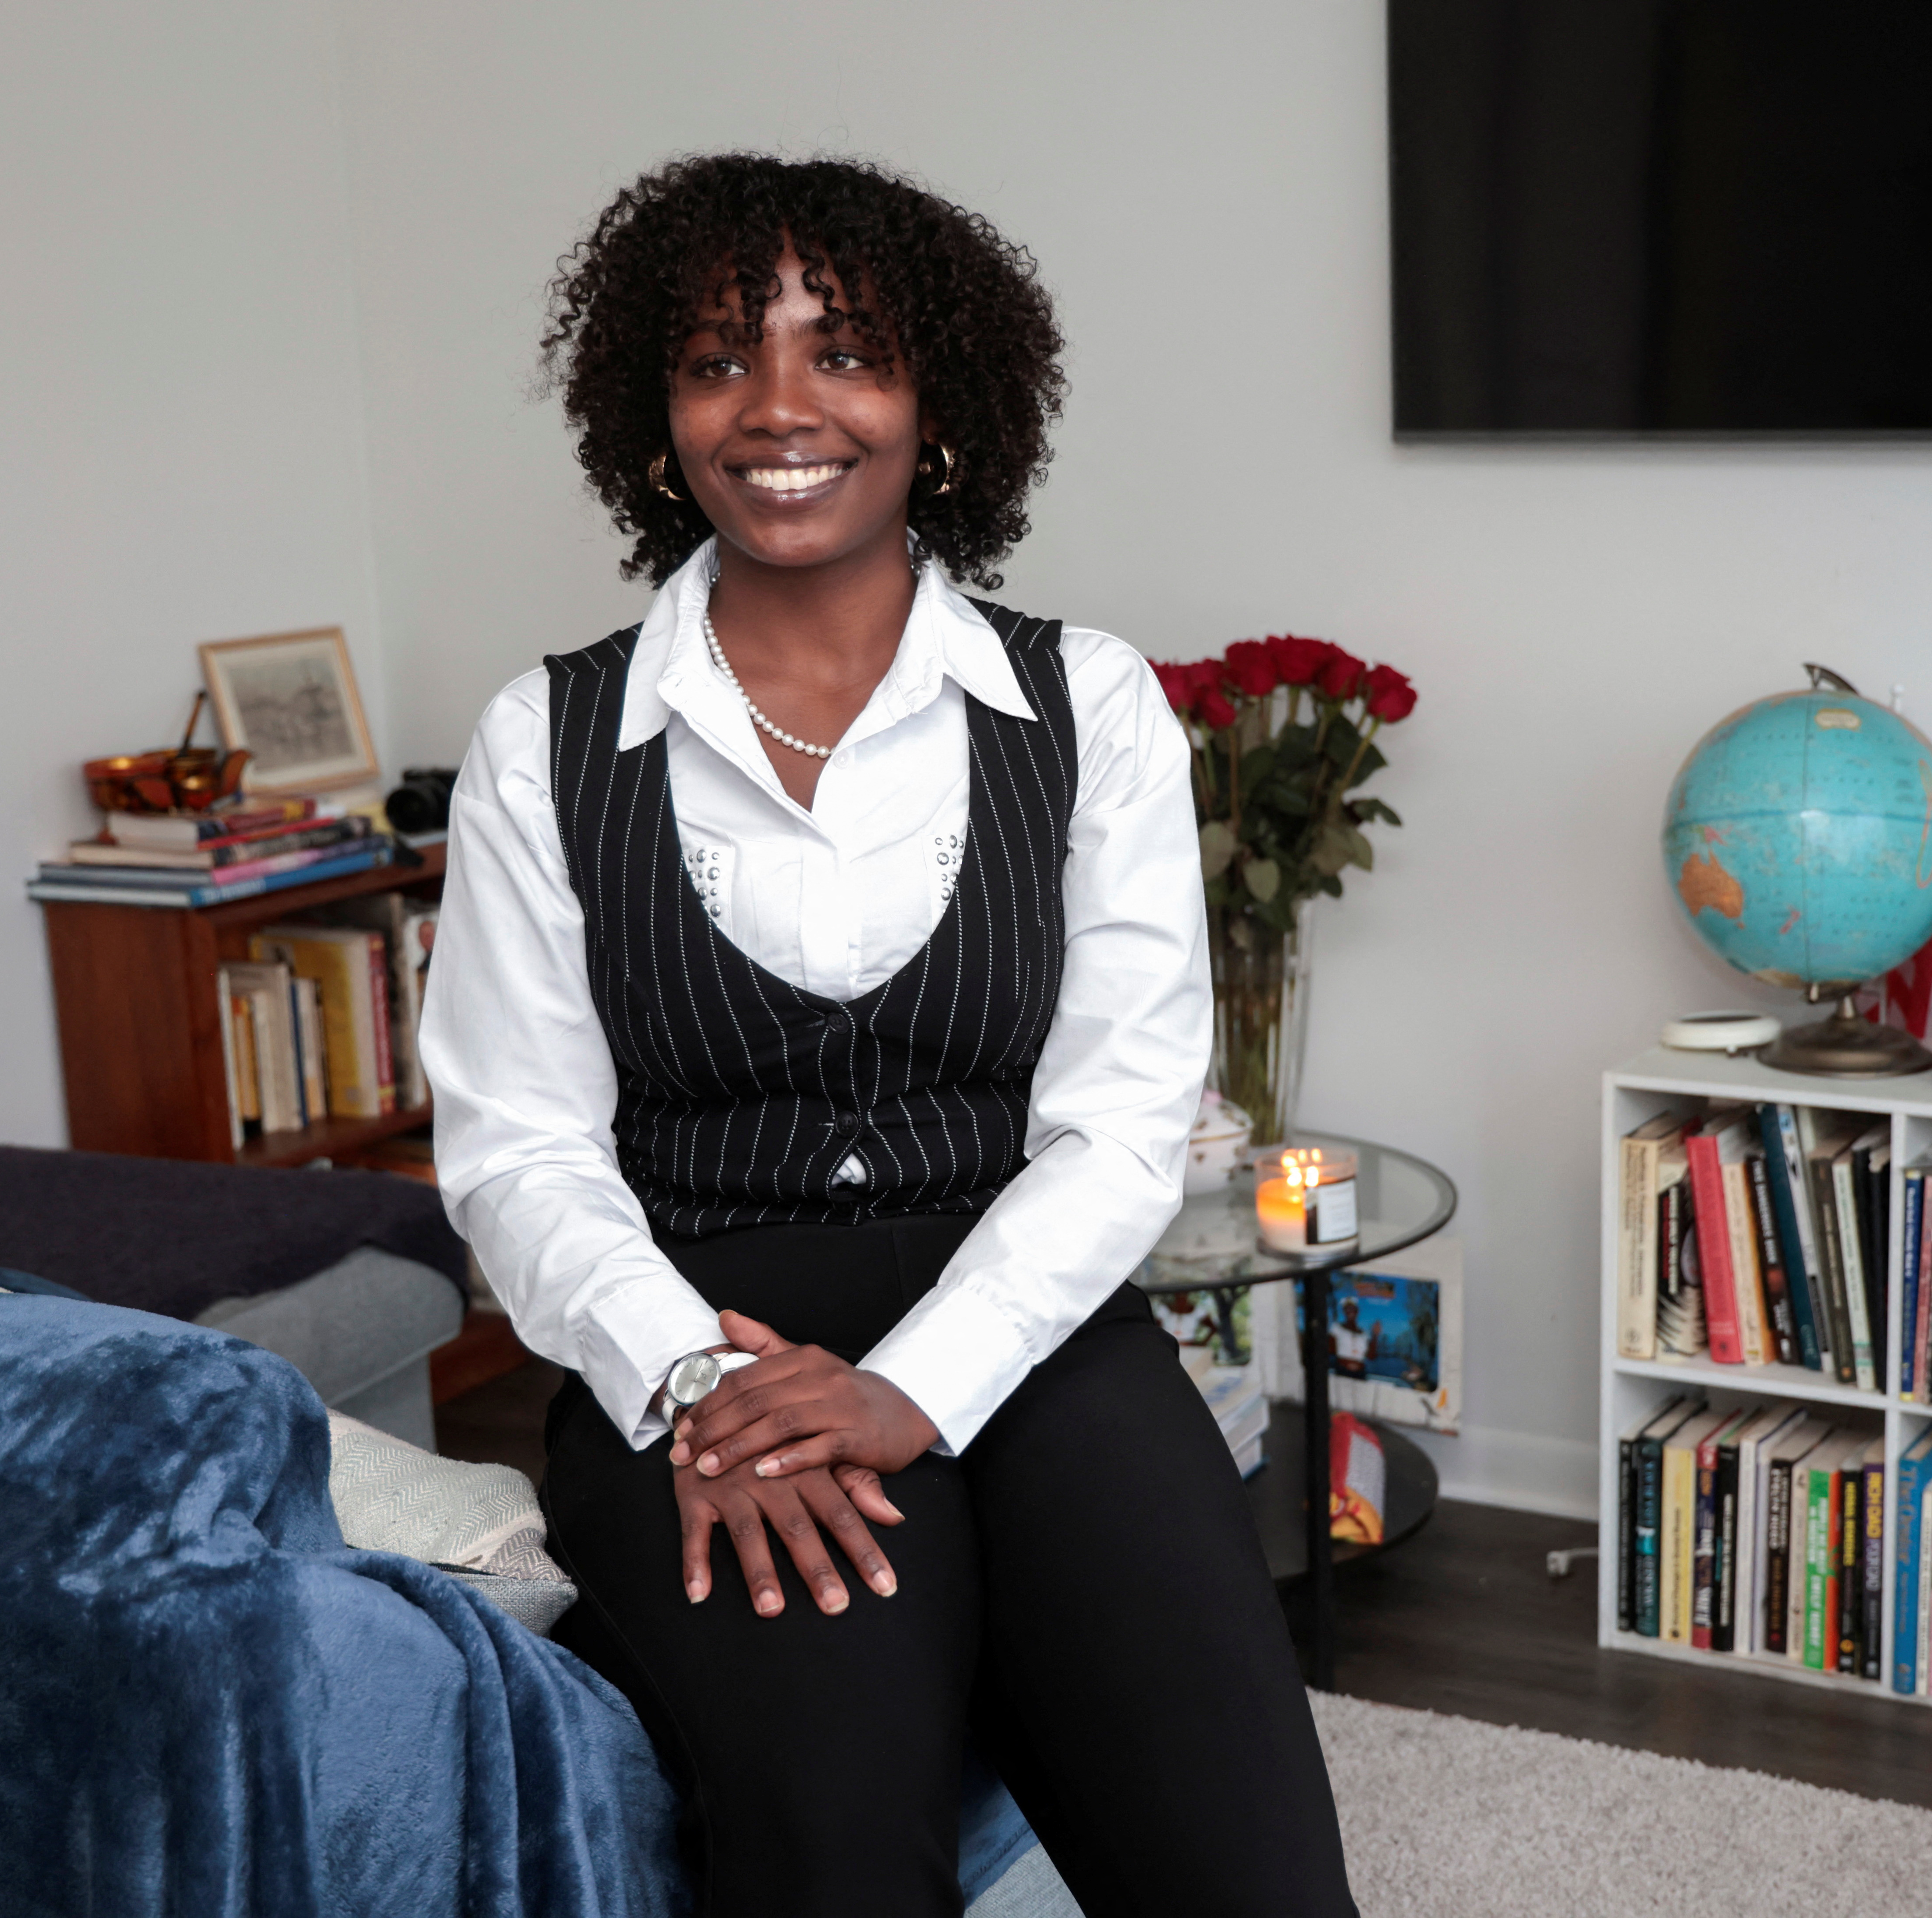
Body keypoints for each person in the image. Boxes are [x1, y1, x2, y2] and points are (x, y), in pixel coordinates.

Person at [423, 154, 1354, 1918]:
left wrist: (913, 1387)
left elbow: (1118, 1123)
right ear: (653, 422)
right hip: (694, 1345)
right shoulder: (544, 739)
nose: (778, 408)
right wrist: (698, 1385)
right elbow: (517, 1147)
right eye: (716, 361)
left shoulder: (1086, 708)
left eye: (842, 354)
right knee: (840, 1835)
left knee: (1245, 1858)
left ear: (937, 412)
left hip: (1031, 1323)